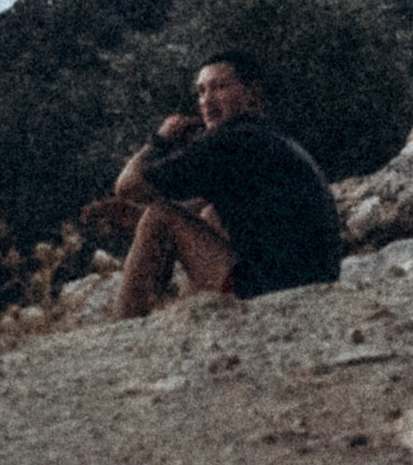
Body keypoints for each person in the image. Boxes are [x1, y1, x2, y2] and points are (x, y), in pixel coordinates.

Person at [83, 50, 344, 318]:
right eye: (200, 92)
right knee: (208, 213)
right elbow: (200, 211)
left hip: (272, 289)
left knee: (159, 217)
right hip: (313, 280)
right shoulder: (265, 137)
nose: (207, 100)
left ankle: (125, 328)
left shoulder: (229, 140)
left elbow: (127, 186)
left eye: (219, 87)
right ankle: (191, 317)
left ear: (252, 93)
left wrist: (160, 140)